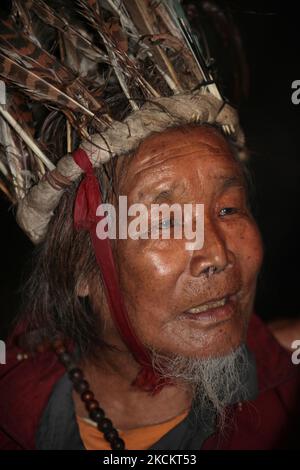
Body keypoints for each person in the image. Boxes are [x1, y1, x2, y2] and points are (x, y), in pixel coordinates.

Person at [0, 0, 299, 451]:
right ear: (78, 268)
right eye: (164, 222)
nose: (217, 254)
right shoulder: (13, 407)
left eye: (229, 209)